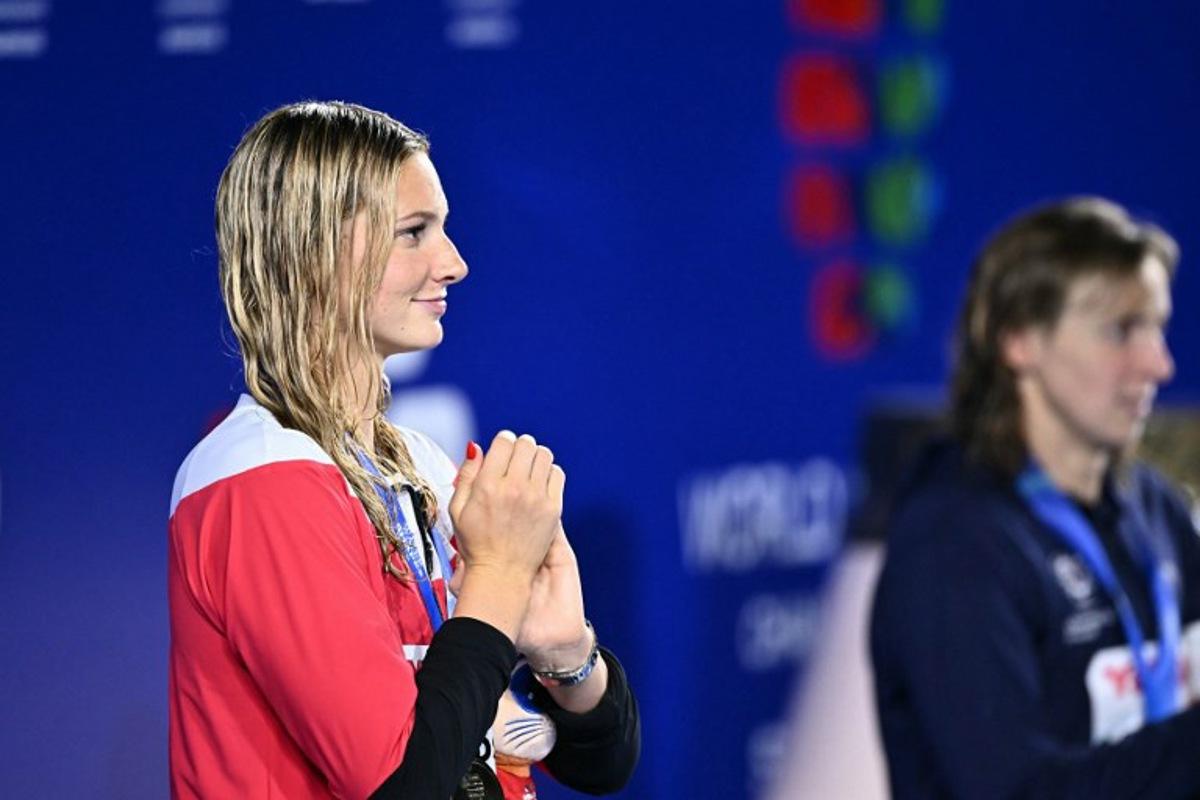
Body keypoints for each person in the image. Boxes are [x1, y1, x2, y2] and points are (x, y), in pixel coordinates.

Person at [168, 101, 640, 800]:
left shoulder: (417, 465)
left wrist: (567, 655)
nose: (454, 263)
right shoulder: (260, 483)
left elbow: (601, 764)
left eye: (442, 230)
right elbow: (402, 784)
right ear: (315, 252)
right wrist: (498, 581)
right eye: (414, 233)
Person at [870, 197, 1200, 799]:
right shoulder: (955, 543)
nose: (1159, 364)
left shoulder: (1155, 510)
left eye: (1158, 327)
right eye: (1121, 330)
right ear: (1019, 340)